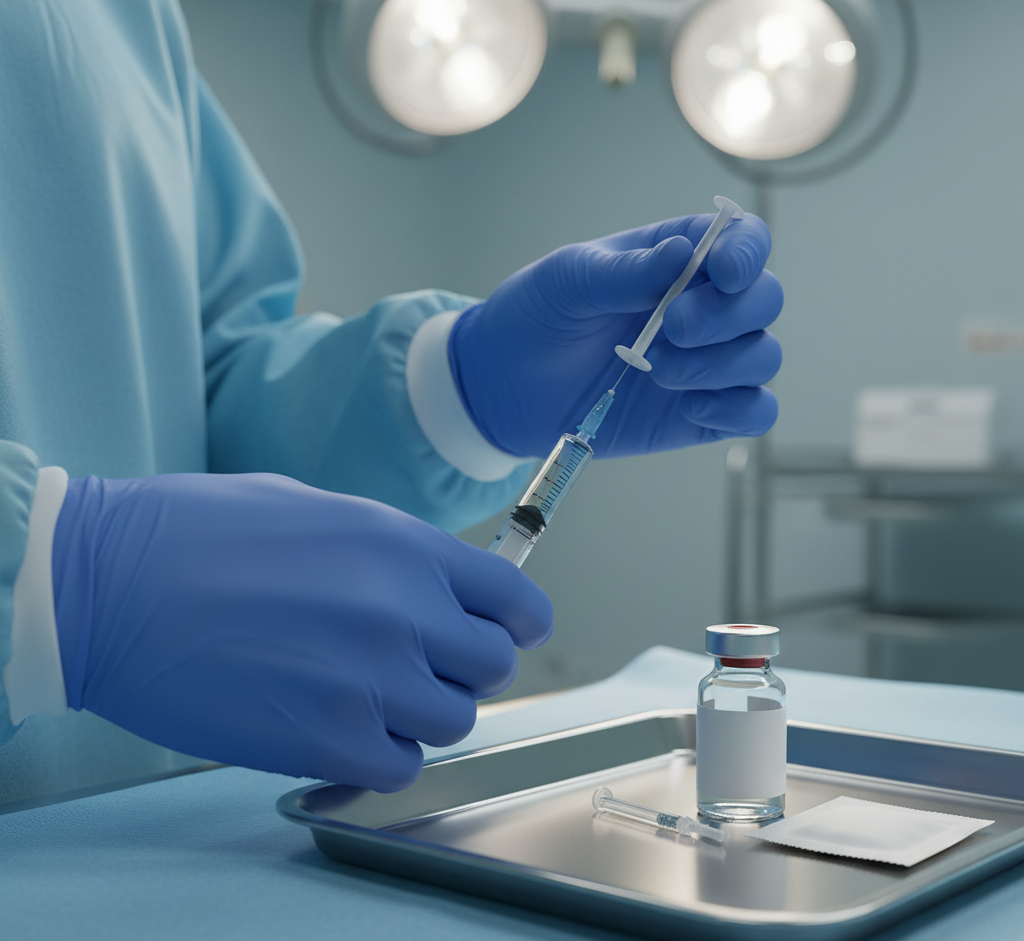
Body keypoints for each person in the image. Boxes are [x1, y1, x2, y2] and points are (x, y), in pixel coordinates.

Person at [0, 0, 783, 792]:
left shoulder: (127, 17)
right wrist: (44, 579)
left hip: (132, 847)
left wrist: (451, 394)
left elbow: (184, 389)